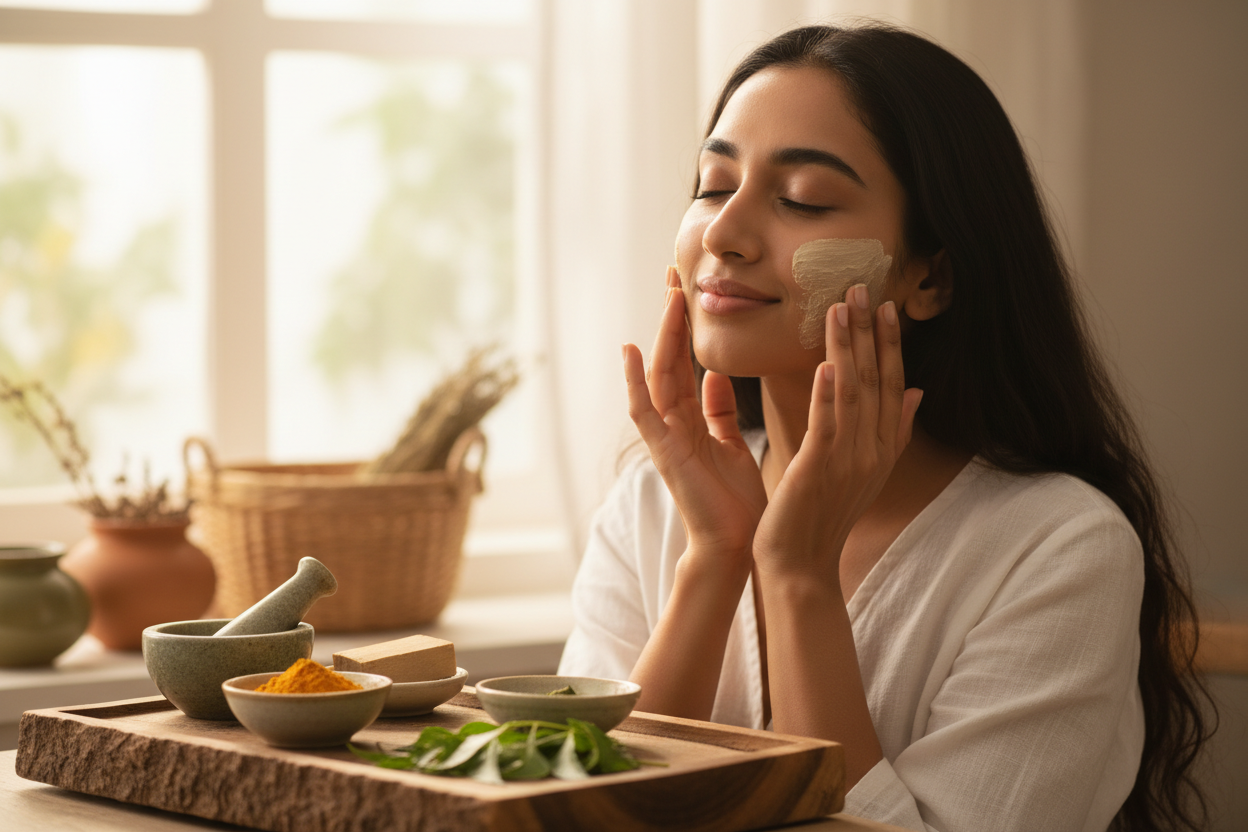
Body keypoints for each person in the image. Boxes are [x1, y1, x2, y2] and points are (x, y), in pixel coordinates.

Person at [556, 23, 1213, 832]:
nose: (723, 234)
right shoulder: (648, 508)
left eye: (802, 199)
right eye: (714, 183)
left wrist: (798, 573)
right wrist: (716, 558)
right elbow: (572, 814)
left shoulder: (1061, 547)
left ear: (930, 275)